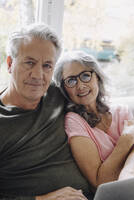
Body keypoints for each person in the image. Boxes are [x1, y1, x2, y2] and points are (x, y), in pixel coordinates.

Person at [0, 24, 94, 200]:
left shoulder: (58, 94)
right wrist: (43, 199)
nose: (38, 75)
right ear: (10, 64)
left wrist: (131, 135)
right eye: (30, 63)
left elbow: (98, 109)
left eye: (47, 66)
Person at [54, 50, 134, 190]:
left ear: (97, 77)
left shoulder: (121, 110)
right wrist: (125, 140)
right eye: (71, 80)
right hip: (114, 193)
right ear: (64, 89)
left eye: (86, 76)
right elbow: (99, 181)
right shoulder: (73, 121)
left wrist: (128, 176)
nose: (80, 85)